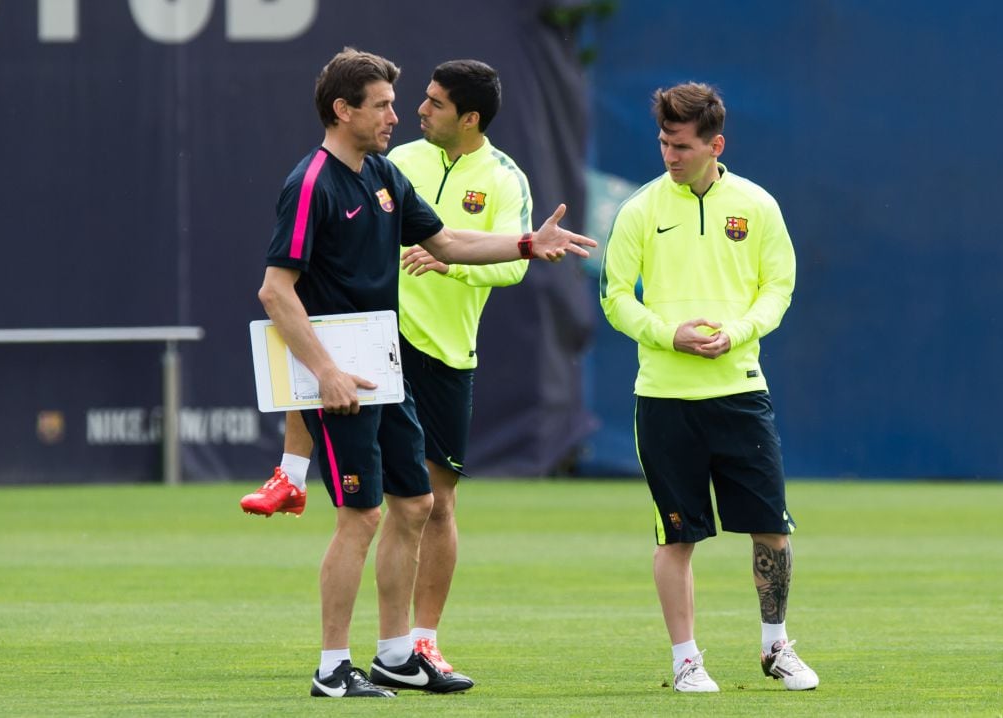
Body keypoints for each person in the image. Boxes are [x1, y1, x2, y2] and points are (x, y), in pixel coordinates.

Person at [255, 47, 593, 700]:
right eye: (381, 104)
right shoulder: (312, 182)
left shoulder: (381, 173)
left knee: (416, 504)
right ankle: (331, 669)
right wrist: (324, 371)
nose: (396, 114)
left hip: (389, 370)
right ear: (342, 110)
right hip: (344, 379)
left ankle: (394, 656)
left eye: (395, 102)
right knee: (361, 516)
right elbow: (275, 291)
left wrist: (526, 243)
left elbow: (446, 242)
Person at [599, 82, 818, 693]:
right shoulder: (641, 209)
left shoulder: (757, 205)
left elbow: (779, 287)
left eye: (683, 145)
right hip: (665, 399)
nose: (670, 155)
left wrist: (739, 332)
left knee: (771, 528)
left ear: (715, 144)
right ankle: (686, 661)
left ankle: (776, 648)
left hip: (741, 391)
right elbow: (615, 298)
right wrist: (671, 335)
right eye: (664, 142)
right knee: (677, 534)